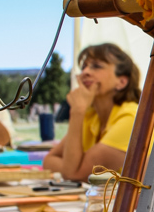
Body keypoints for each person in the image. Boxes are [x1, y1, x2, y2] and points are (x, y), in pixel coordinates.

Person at [43, 43, 141, 181]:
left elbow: (73, 174)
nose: (85, 72)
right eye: (84, 67)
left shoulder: (132, 118)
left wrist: (77, 111)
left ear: (121, 82)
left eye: (96, 66)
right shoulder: (91, 115)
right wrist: (72, 167)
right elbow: (49, 160)